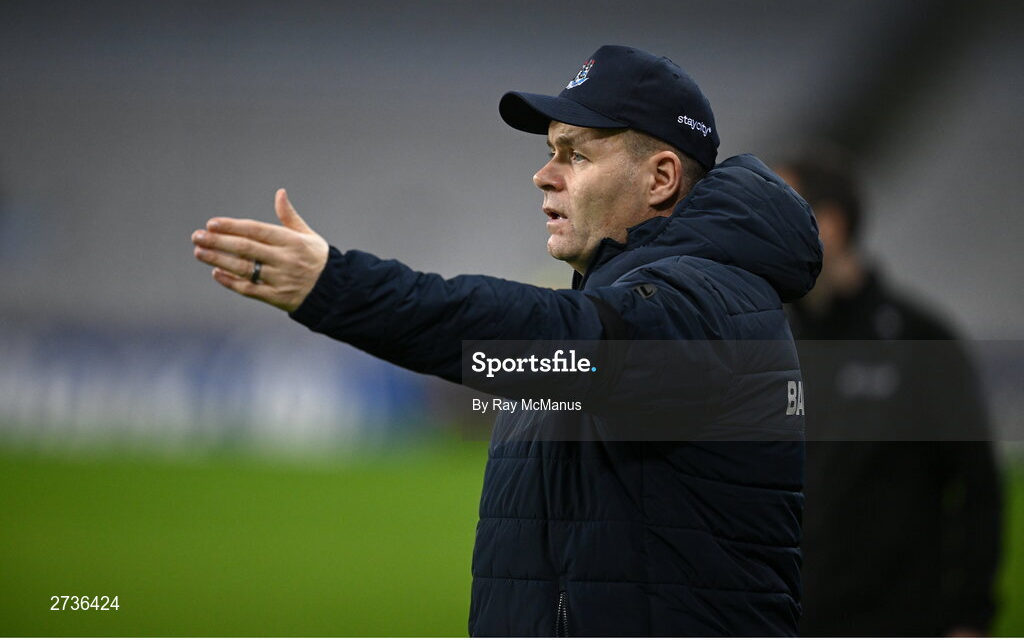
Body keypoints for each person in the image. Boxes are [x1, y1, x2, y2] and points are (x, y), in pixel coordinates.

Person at [191, 45, 822, 636]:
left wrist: (339, 286)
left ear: (660, 178)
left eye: (575, 154)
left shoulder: (706, 306)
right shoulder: (628, 299)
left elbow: (542, 330)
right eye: (551, 150)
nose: (543, 175)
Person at [776, 151, 1003, 636]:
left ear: (829, 226)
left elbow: (980, 489)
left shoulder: (921, 341)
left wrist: (971, 617)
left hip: (898, 622)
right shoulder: (767, 342)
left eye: (777, 213)